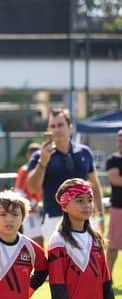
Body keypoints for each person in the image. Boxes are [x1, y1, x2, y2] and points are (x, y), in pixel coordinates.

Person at [26, 108, 104, 242]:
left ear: (70, 127)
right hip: (55, 218)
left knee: (89, 260)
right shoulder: (39, 155)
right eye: (53, 126)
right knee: (60, 262)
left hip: (85, 217)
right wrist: (43, 162)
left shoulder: (84, 152)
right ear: (48, 129)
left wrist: (101, 217)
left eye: (60, 125)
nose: (56, 129)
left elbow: (95, 186)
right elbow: (32, 188)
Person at [13, 143, 44, 247]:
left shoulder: (43, 170)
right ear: (28, 155)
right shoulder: (24, 170)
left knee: (44, 240)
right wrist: (34, 204)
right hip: (30, 212)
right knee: (34, 241)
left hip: (41, 210)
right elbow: (18, 192)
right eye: (32, 154)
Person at [105, 129, 122, 277]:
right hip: (118, 208)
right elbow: (115, 179)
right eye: (120, 138)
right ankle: (107, 278)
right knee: (113, 247)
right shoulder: (113, 160)